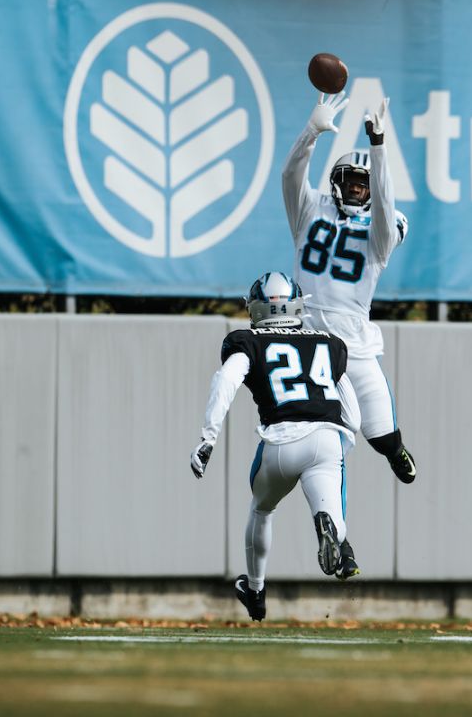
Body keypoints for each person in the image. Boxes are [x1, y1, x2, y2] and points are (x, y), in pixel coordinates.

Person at [190, 272, 362, 622]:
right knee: (330, 509)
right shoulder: (326, 342)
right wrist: (343, 440)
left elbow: (226, 381)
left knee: (261, 508)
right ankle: (329, 528)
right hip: (326, 438)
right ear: (297, 305)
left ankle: (255, 591)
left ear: (255, 308)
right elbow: (353, 412)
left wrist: (208, 437)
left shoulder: (248, 341)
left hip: (281, 440)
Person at [280, 91, 417, 485]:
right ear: (337, 183)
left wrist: (379, 146)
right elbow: (290, 176)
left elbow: (388, 215)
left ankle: (395, 450)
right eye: (351, 183)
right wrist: (311, 132)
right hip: (306, 336)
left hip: (354, 342)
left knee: (382, 433)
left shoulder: (381, 232)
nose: (357, 189)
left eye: (364, 185)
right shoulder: (310, 209)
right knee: (318, 432)